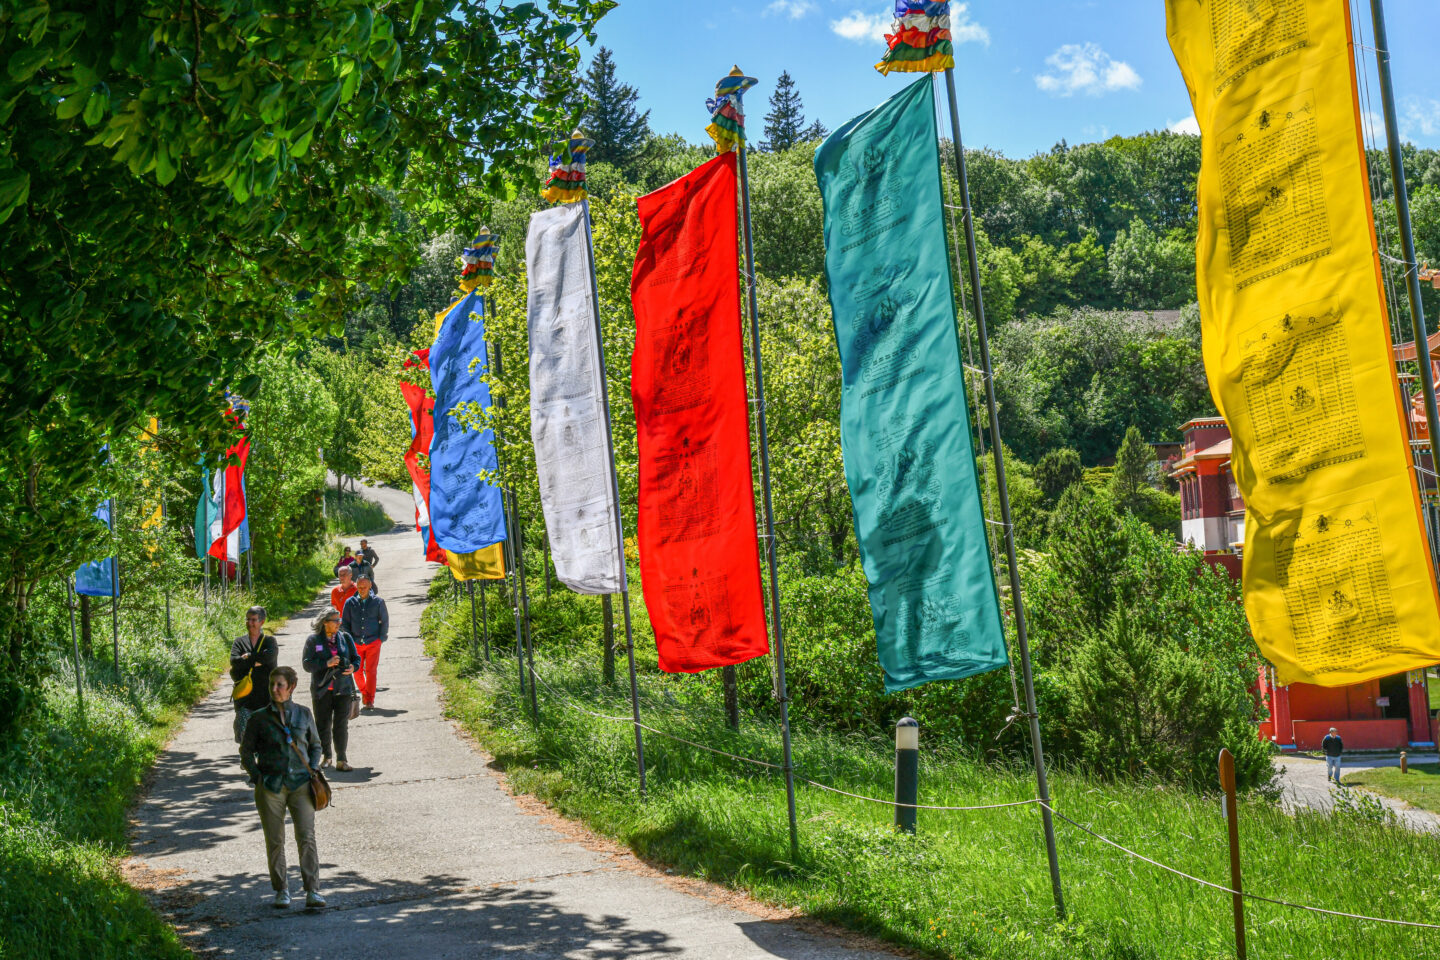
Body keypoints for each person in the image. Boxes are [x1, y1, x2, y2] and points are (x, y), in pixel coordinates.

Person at [238, 666, 326, 909]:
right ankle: (282, 890)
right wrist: (257, 776)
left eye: (280, 685)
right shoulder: (258, 718)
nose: (274, 689)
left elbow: (316, 745)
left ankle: (312, 890)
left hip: (301, 784)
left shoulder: (304, 714)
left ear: (291, 687)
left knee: (306, 837)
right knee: (275, 840)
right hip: (271, 786)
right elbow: (245, 752)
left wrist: (313, 768)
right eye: (272, 685)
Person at [302, 607, 361, 771]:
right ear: (325, 623)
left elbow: (356, 658)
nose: (338, 623)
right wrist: (325, 664)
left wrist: (352, 668)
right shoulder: (313, 640)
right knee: (323, 724)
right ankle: (327, 756)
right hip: (322, 689)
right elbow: (307, 664)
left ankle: (342, 759)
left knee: (341, 724)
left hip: (343, 688)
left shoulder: (345, 637)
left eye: (339, 620)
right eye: (335, 620)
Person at [229, 606, 278, 743]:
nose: (250, 623)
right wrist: (256, 660)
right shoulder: (239, 642)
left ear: (262, 622)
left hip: (266, 695)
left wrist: (248, 657)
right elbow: (234, 661)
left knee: (267, 736)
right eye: (248, 619)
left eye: (254, 620)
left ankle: (261, 762)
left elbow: (269, 658)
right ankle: (248, 762)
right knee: (245, 734)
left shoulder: (269, 641)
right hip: (245, 697)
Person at [342, 570, 389, 710]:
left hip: (373, 641)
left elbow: (384, 621)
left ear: (370, 586)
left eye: (364, 587)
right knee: (356, 671)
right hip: (356, 643)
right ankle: (364, 692)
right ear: (356, 586)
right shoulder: (350, 602)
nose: (362, 590)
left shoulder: (378, 602)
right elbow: (345, 623)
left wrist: (381, 638)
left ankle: (369, 700)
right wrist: (349, 641)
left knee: (371, 671)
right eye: (359, 587)